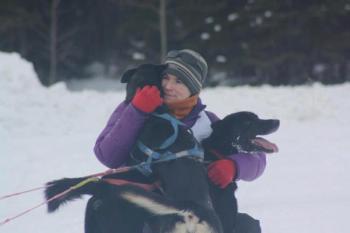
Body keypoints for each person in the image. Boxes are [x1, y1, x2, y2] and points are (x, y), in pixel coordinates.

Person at [94, 49, 266, 232]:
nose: (168, 86)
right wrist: (137, 110)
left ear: (194, 89)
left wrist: (234, 166)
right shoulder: (133, 108)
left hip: (191, 212)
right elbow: (107, 155)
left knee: (246, 227)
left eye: (179, 81)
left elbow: (258, 158)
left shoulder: (207, 121)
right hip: (138, 208)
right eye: (166, 78)